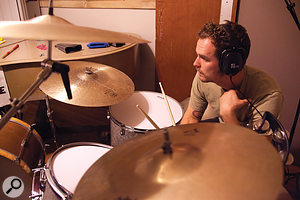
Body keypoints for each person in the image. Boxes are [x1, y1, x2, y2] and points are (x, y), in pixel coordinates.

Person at [181, 20, 283, 129]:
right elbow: (190, 118)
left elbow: (258, 145)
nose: (195, 63)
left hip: (247, 140)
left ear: (228, 64)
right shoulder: (204, 75)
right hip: (223, 126)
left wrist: (228, 115)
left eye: (205, 59)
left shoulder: (268, 94)